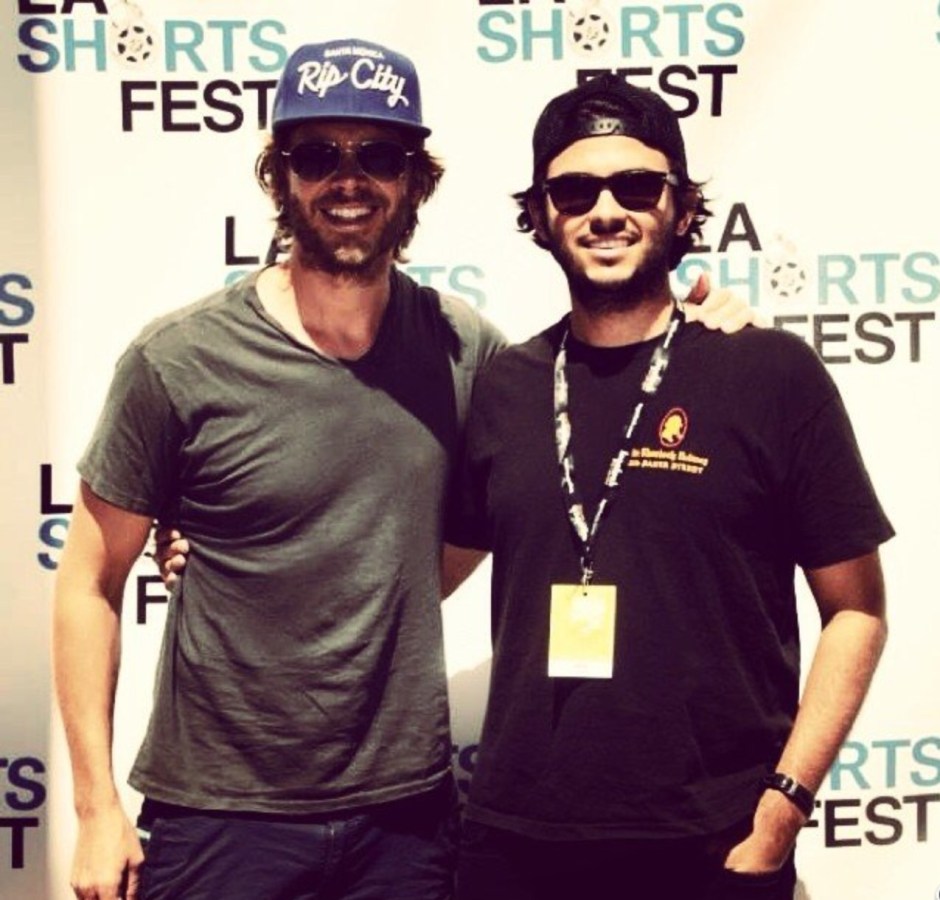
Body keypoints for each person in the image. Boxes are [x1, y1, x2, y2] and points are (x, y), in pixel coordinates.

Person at [54, 35, 752, 900]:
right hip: (222, 819)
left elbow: (588, 408)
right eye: (318, 155)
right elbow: (88, 580)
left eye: (379, 155)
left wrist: (704, 331)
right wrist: (93, 808)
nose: (349, 180)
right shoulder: (178, 360)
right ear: (280, 175)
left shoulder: (469, 354)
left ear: (416, 179)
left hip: (407, 820)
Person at [445, 74, 893, 900]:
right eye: (575, 189)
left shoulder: (769, 373)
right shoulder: (507, 388)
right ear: (541, 216)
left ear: (682, 210)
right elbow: (409, 571)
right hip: (517, 846)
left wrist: (782, 811)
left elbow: (857, 610)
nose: (605, 209)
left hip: (714, 846)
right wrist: (221, 552)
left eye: (637, 186)